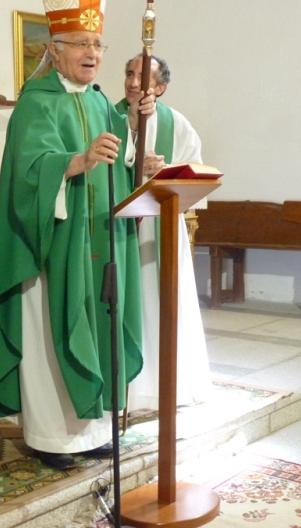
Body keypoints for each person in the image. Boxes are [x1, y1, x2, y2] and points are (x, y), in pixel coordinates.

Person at [0, 0, 154, 471]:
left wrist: (137, 148)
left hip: (98, 241)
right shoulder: (36, 101)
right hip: (53, 246)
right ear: (53, 50)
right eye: (81, 43)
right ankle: (53, 437)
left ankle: (96, 429)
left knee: (99, 324)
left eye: (97, 43)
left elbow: (118, 171)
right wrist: (74, 163)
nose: (92, 52)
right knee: (50, 333)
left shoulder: (104, 102)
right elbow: (26, 173)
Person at [117, 54, 212, 412]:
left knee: (162, 302)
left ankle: (165, 384)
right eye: (128, 74)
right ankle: (127, 386)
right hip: (120, 228)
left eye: (142, 77)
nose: (132, 83)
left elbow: (197, 171)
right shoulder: (108, 115)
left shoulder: (177, 124)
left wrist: (165, 169)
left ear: (160, 87)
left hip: (160, 230)